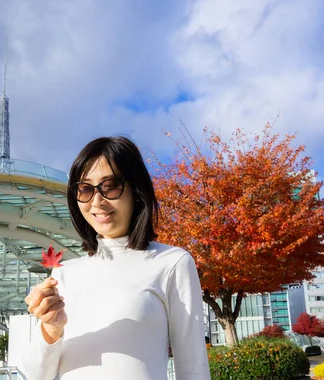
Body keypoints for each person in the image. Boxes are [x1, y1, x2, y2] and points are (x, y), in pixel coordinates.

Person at [20, 136, 210, 379]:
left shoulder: (172, 262)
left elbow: (193, 366)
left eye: (110, 186)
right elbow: (35, 376)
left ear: (136, 190)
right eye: (85, 189)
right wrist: (51, 328)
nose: (97, 201)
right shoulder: (64, 273)